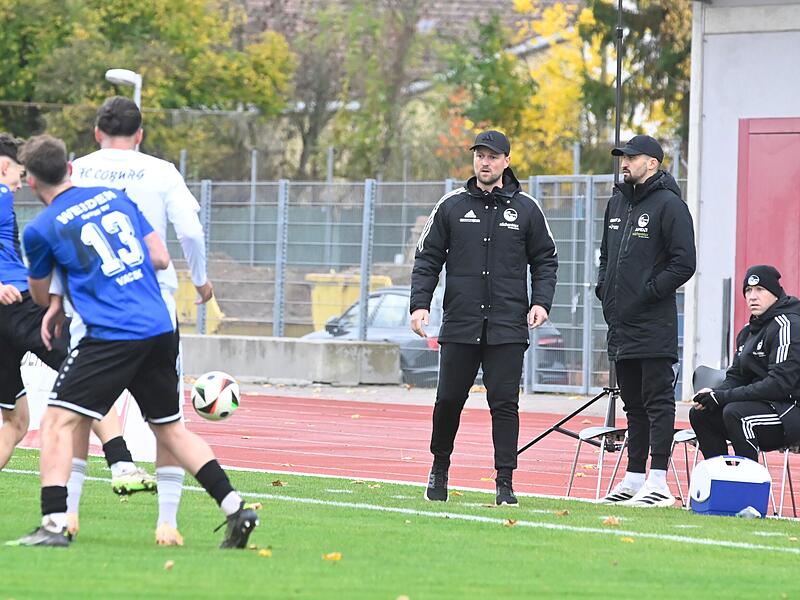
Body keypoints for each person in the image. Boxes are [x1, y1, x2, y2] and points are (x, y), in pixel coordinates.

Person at [9, 134, 257, 548]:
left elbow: (37, 295)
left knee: (57, 420)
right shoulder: (113, 197)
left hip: (110, 332)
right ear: (69, 168)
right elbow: (159, 256)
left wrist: (61, 294)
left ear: (32, 183)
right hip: (159, 324)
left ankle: (55, 524)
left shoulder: (41, 229)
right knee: (172, 430)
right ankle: (235, 507)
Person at [58, 96, 213, 546]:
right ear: (140, 134)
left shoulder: (76, 170)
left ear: (96, 132)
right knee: (167, 421)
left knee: (77, 414)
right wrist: (201, 281)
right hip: (152, 309)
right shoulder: (162, 171)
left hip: (93, 309)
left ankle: (67, 514)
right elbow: (190, 231)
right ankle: (168, 521)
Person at [410, 130, 558, 506]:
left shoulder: (526, 209)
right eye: (479, 155)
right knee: (448, 400)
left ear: (506, 160)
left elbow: (546, 259)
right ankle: (439, 468)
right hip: (460, 323)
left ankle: (504, 482)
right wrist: (420, 303)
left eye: (492, 156)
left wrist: (541, 301)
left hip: (508, 326)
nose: (485, 162)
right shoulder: (451, 205)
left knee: (505, 405)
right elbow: (427, 257)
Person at [596, 135, 696, 507]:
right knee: (632, 404)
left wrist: (650, 291)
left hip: (653, 324)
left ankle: (658, 480)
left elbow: (684, 263)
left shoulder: (670, 205)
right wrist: (603, 289)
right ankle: (634, 476)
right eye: (623, 157)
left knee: (657, 402)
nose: (624, 162)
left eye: (631, 157)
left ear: (652, 163)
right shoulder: (618, 202)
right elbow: (606, 255)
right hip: (621, 325)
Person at [690, 265, 800, 460]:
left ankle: (748, 486)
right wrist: (714, 394)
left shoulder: (788, 325)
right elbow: (736, 376)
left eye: (760, 290)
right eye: (748, 291)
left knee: (737, 413)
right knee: (700, 413)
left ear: (775, 294)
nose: (752, 296)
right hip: (762, 406)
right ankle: (721, 480)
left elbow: (779, 385)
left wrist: (723, 397)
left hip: (790, 409)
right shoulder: (748, 330)